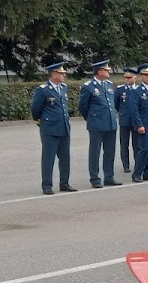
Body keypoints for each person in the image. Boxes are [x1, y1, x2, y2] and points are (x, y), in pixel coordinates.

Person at [30, 61, 75, 194]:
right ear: (54, 74)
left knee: (65, 158)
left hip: (64, 127)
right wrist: (41, 122)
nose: (64, 75)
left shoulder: (64, 88)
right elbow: (35, 109)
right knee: (48, 158)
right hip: (49, 129)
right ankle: (47, 185)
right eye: (61, 73)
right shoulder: (43, 90)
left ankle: (64, 183)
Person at [77, 59, 121, 189]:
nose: (109, 71)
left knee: (109, 152)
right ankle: (95, 178)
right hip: (96, 124)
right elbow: (83, 107)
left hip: (110, 123)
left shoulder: (108, 84)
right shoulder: (88, 86)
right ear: (100, 71)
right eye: (106, 70)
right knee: (95, 152)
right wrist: (91, 119)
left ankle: (109, 176)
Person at [122, 65, 148, 182]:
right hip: (144, 125)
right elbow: (134, 110)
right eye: (146, 75)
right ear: (141, 76)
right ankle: (137, 173)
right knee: (144, 150)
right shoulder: (136, 91)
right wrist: (139, 125)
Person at [115, 68, 138, 174]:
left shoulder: (138, 89)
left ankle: (138, 163)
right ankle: (126, 165)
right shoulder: (120, 90)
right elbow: (116, 104)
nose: (127, 79)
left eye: (130, 77)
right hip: (124, 120)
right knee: (124, 144)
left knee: (136, 143)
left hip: (136, 120)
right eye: (126, 78)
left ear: (135, 78)